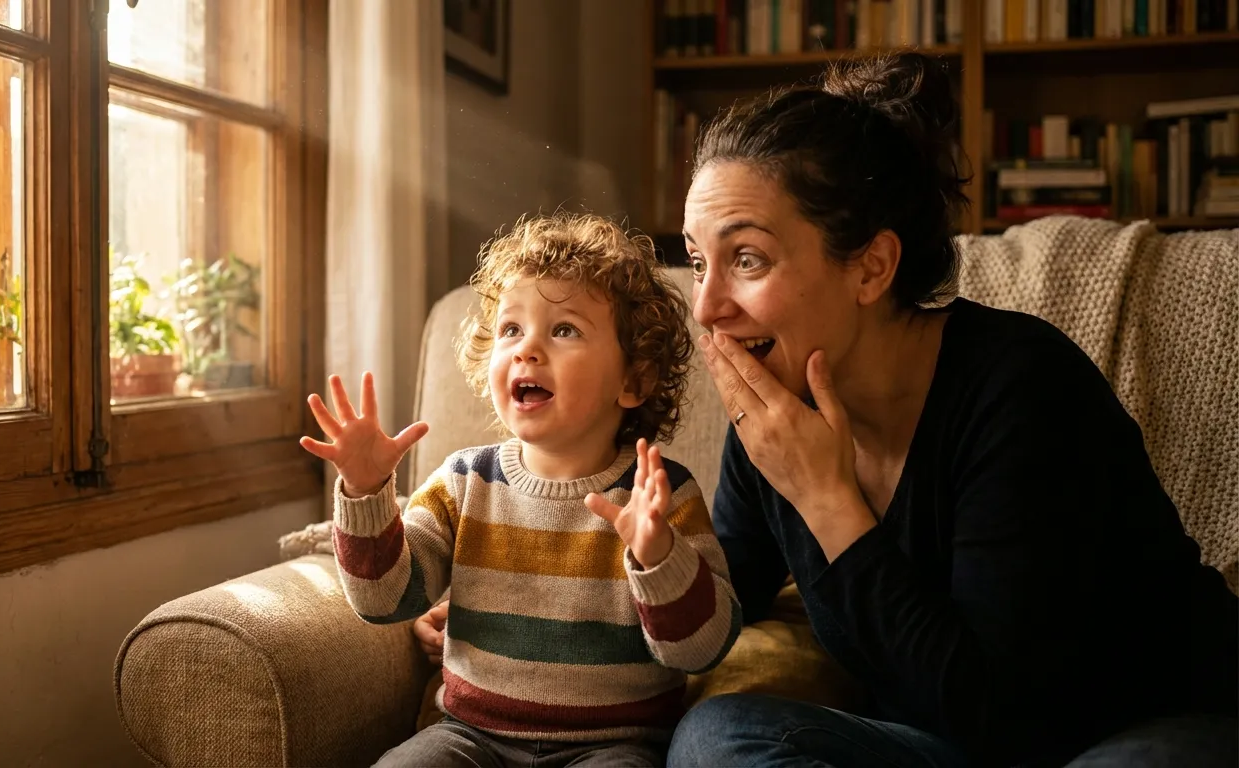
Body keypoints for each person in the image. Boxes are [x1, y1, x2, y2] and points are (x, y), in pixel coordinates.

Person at [417, 52, 1238, 767]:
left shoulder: (1022, 390)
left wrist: (828, 499)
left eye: (747, 259)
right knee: (717, 739)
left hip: (1129, 727)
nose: (706, 307)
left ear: (873, 267)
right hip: (933, 743)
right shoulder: (772, 417)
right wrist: (523, 596)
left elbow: (1002, 714)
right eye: (699, 261)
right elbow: (705, 596)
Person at [303, 212, 742, 767]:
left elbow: (704, 650)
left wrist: (658, 558)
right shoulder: (464, 483)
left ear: (634, 381)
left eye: (564, 330)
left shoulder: (661, 495)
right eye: (511, 329)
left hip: (614, 748)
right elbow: (386, 600)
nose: (526, 350)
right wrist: (365, 492)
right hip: (469, 738)